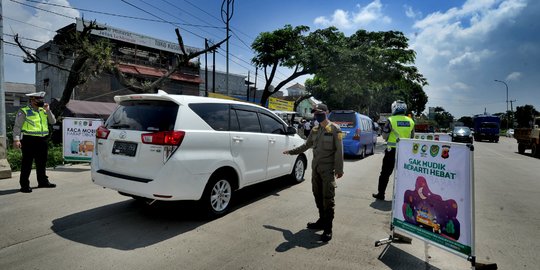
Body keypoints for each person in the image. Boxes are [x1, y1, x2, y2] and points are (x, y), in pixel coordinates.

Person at [283, 103, 344, 242]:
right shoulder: (315, 130)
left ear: (326, 112)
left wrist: (339, 169)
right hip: (315, 170)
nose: (317, 115)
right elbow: (306, 145)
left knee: (328, 198)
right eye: (315, 113)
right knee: (317, 195)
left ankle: (328, 229)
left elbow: (339, 151)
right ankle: (321, 221)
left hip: (328, 170)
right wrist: (291, 152)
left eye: (319, 112)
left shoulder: (335, 129)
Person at [12, 91, 57, 193]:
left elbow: (53, 121)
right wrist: (16, 139)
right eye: (38, 99)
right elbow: (17, 126)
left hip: (42, 140)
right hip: (28, 140)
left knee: (42, 162)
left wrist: (48, 111)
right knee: (27, 163)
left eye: (42, 99)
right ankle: (24, 185)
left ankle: (43, 182)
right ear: (32, 100)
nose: (41, 101)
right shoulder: (24, 111)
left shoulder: (44, 110)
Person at [372, 100, 414, 201]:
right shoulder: (411, 121)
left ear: (394, 108)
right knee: (404, 174)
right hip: (405, 152)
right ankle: (403, 197)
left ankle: (381, 194)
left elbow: (384, 135)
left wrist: (388, 138)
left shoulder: (390, 120)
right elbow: (412, 137)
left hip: (391, 151)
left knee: (385, 173)